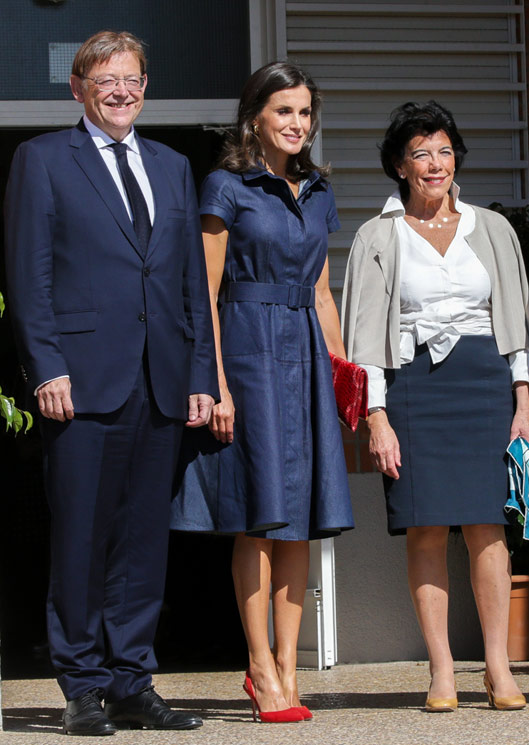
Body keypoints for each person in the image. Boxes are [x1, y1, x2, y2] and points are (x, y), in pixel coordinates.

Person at [3, 31, 217, 735]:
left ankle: (131, 679)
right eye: (105, 81)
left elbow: (190, 282)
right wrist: (47, 366)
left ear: (146, 86)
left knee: (141, 541)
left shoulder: (172, 165)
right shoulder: (41, 160)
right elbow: (28, 277)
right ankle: (82, 686)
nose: (121, 91)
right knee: (81, 537)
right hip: (82, 380)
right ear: (77, 90)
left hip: (160, 380)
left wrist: (199, 375)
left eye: (131, 79)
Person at [342, 101, 529, 713]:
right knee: (425, 525)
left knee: (489, 524)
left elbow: (515, 321)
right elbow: (364, 336)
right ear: (400, 167)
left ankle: (499, 668)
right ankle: (443, 671)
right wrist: (376, 417)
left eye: (445, 150)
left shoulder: (493, 228)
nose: (435, 164)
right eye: (421, 153)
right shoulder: (378, 235)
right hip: (413, 389)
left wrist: (523, 403)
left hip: (484, 384)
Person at [171, 61, 353, 723]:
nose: (297, 124)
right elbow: (206, 293)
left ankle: (289, 665)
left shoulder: (318, 189)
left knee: (301, 520)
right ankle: (258, 666)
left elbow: (324, 295)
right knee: (258, 516)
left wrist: (344, 378)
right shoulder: (225, 186)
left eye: (305, 113)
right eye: (284, 112)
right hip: (245, 352)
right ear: (256, 116)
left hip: (304, 354)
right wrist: (213, 381)